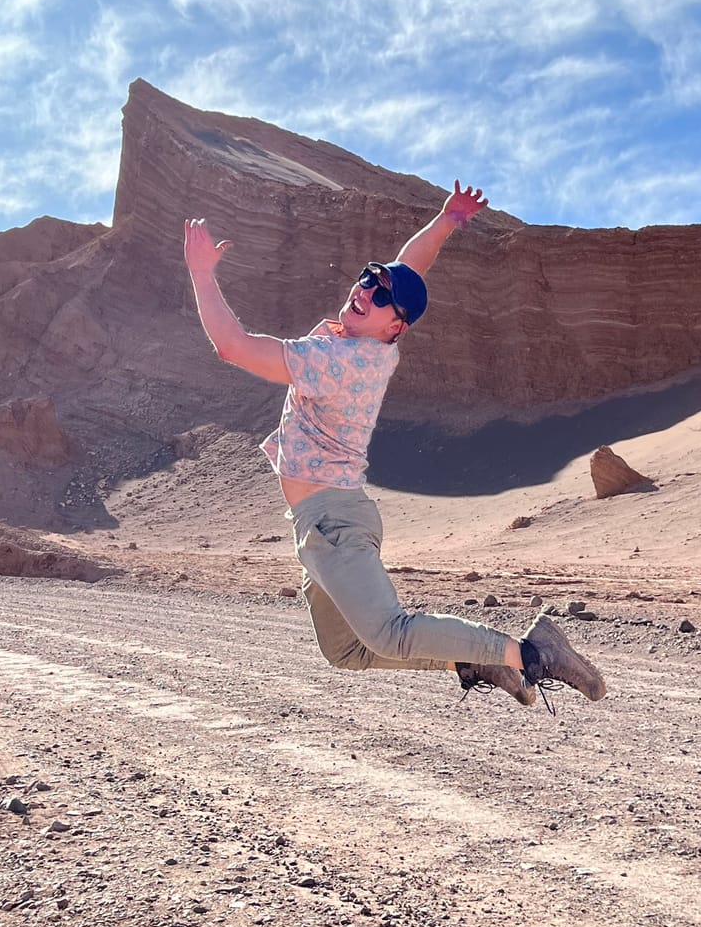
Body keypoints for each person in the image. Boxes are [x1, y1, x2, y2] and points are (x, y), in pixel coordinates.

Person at [183, 182, 606, 710]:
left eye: (380, 297)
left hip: (332, 520)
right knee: (346, 650)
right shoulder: (372, 342)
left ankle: (528, 651)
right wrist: (447, 220)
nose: (365, 292)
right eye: (367, 280)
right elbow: (411, 268)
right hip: (320, 523)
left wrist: (201, 275)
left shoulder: (340, 361)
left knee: (389, 632)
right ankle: (471, 658)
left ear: (395, 326)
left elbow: (233, 347)